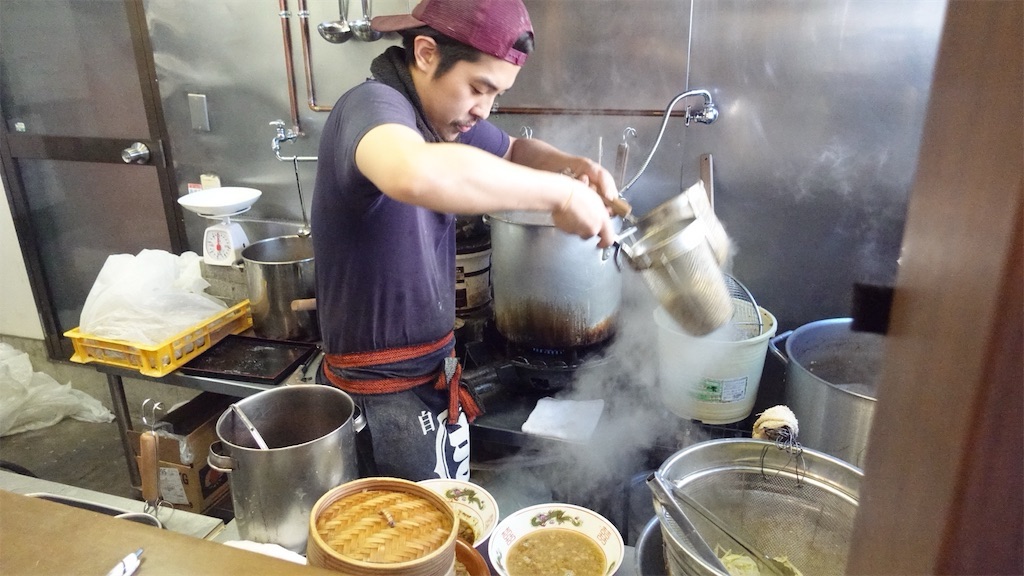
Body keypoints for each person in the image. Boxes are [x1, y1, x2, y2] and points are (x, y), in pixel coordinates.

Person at [311, 0, 619, 481]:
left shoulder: (434, 120)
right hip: (378, 396)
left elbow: (514, 150)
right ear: (427, 53)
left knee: (447, 524)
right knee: (405, 543)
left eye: (495, 94)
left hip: (429, 376)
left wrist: (570, 166)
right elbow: (411, 172)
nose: (484, 109)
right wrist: (559, 196)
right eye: (478, 88)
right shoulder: (373, 107)